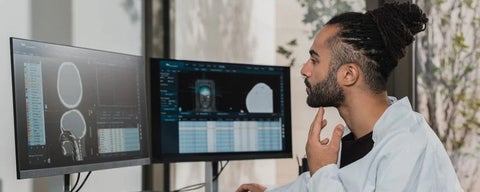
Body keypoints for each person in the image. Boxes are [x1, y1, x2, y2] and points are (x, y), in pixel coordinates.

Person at [236, 2, 463, 192]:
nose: (305, 70)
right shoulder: (353, 139)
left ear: (348, 74)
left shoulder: (410, 147)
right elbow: (317, 185)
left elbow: (326, 180)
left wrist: (323, 171)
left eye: (314, 60)